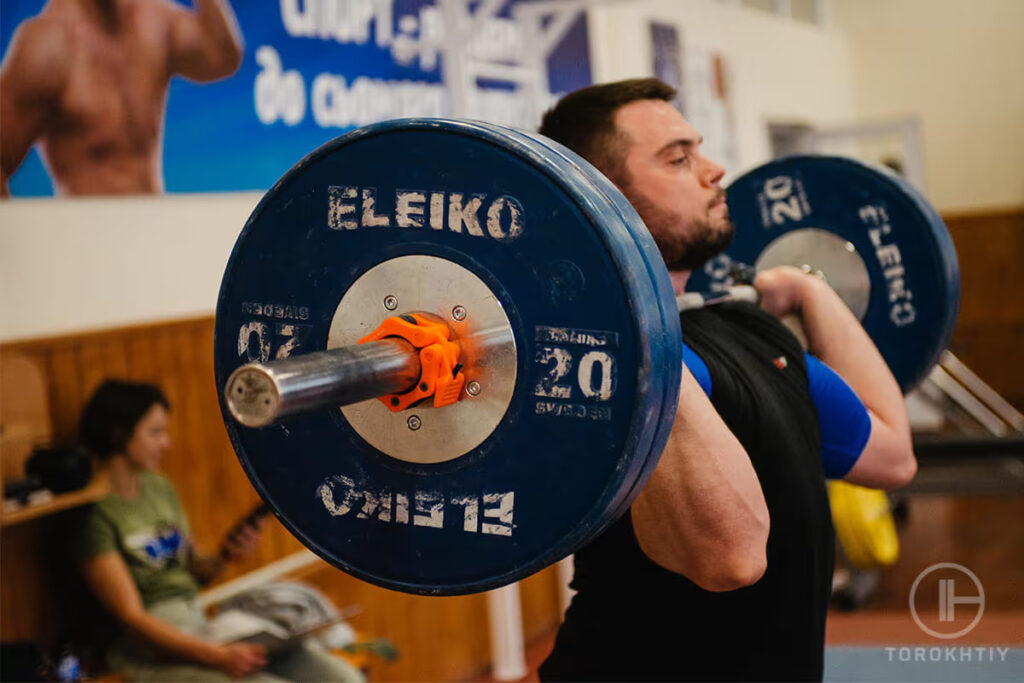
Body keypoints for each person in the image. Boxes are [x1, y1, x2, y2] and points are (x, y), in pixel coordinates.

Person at [536, 79, 916, 681]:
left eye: (699, 150)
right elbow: (731, 560)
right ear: (602, 197)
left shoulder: (745, 329)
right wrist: (620, 305)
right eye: (678, 159)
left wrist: (814, 292)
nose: (714, 171)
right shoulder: (602, 365)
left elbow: (892, 455)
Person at [77, 379, 365, 682]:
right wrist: (216, 656)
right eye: (155, 432)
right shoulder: (95, 515)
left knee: (340, 677)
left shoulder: (157, 487)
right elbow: (131, 618)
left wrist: (225, 556)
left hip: (201, 628)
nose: (166, 443)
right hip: (151, 653)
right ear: (119, 434)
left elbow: (193, 570)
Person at [0, 0, 243, 196]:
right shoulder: (48, 46)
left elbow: (222, 57)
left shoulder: (154, 22)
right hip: (86, 241)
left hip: (155, 230)